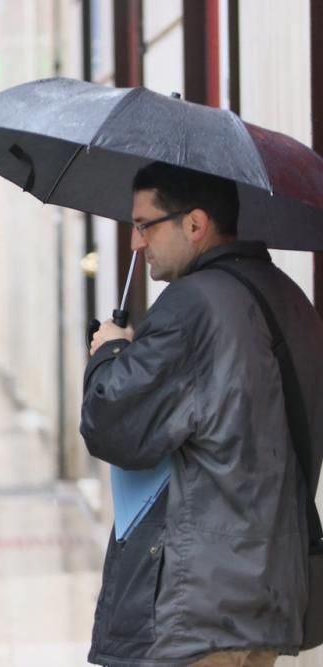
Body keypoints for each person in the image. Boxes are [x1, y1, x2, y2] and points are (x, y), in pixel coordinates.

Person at [81, 161, 323, 666]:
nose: (135, 243)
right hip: (271, 593)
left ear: (194, 224)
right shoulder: (291, 299)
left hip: (201, 605)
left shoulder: (192, 306)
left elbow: (113, 424)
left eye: (145, 224)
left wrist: (109, 353)